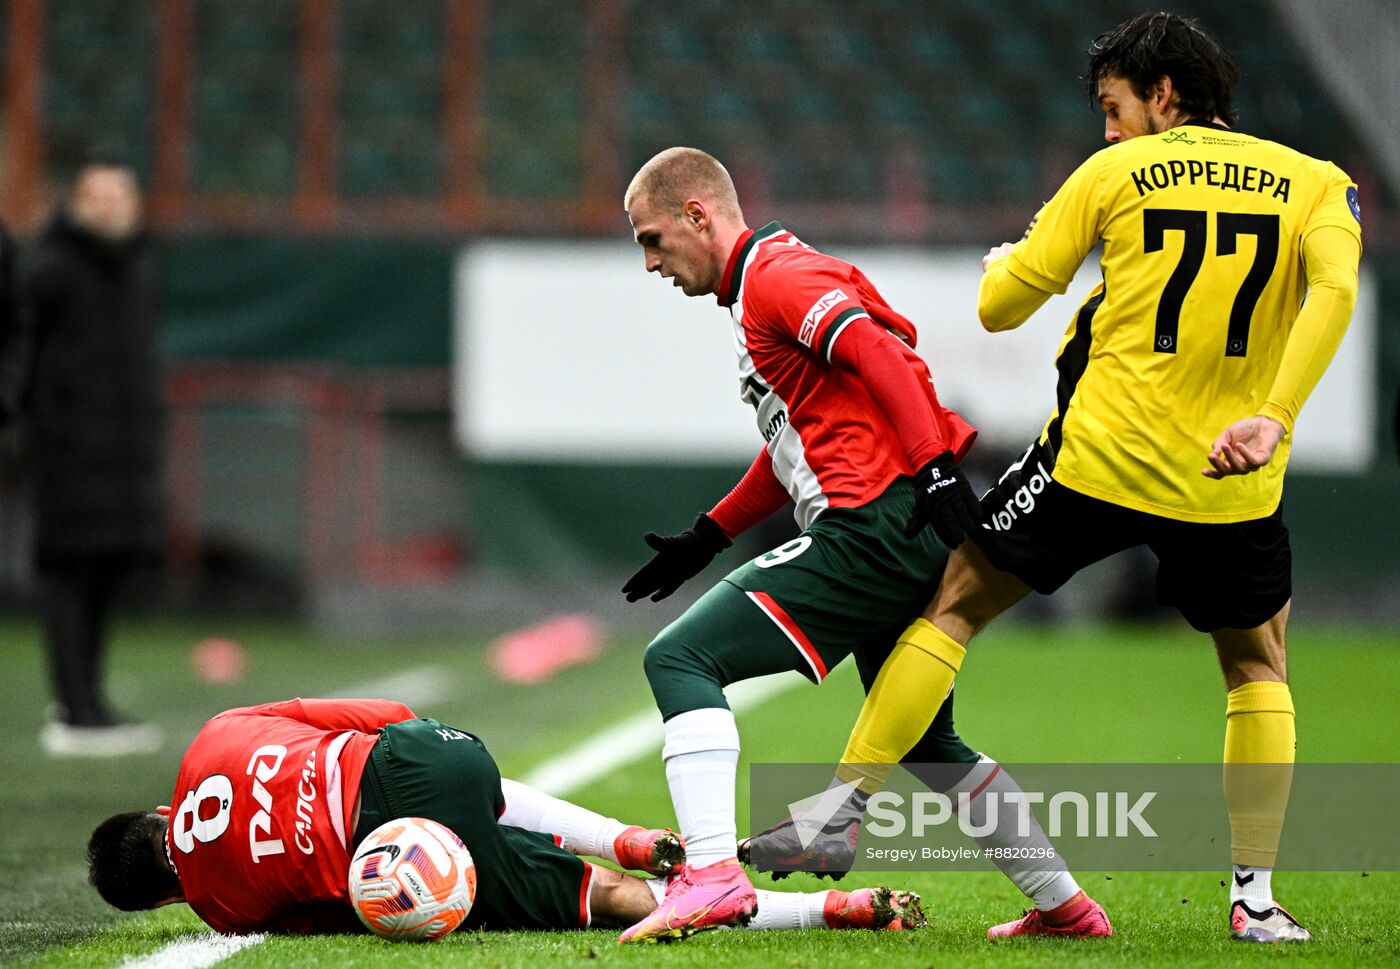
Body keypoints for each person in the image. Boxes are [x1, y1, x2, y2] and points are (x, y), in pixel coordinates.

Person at [831, 12, 1361, 945]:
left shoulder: (1114, 175)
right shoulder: (1319, 184)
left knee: (956, 602)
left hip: (1099, 458)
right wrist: (1272, 416)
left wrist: (1004, 266)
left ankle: (839, 813)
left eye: (1115, 107)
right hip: (1226, 476)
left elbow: (999, 308)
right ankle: (1256, 900)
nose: (1108, 130)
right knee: (1257, 666)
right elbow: (1335, 294)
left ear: (1165, 95)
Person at [617, 147, 1109, 943]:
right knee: (928, 742)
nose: (650, 263)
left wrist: (938, 470)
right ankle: (1068, 908)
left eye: (652, 240)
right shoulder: (770, 281)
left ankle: (710, 877)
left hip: (874, 528)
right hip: (900, 520)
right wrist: (710, 534)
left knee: (678, 659)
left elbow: (880, 354)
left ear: (697, 216)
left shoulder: (775, 279)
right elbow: (796, 445)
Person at [86, 697, 927, 935]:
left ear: (164, 897)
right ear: (161, 809)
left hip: (396, 847)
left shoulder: (218, 904)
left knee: (605, 899)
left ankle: (828, 910)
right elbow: (370, 712)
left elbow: (328, 909)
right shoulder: (213, 734)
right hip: (432, 755)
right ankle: (629, 835)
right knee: (473, 792)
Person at [8, 154, 166, 756]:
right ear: (74, 203)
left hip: (126, 456)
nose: (110, 206)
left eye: (120, 194)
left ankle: (92, 704)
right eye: (97, 195)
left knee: (108, 572)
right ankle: (73, 708)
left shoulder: (142, 267)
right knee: (69, 573)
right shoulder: (46, 270)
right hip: (67, 453)